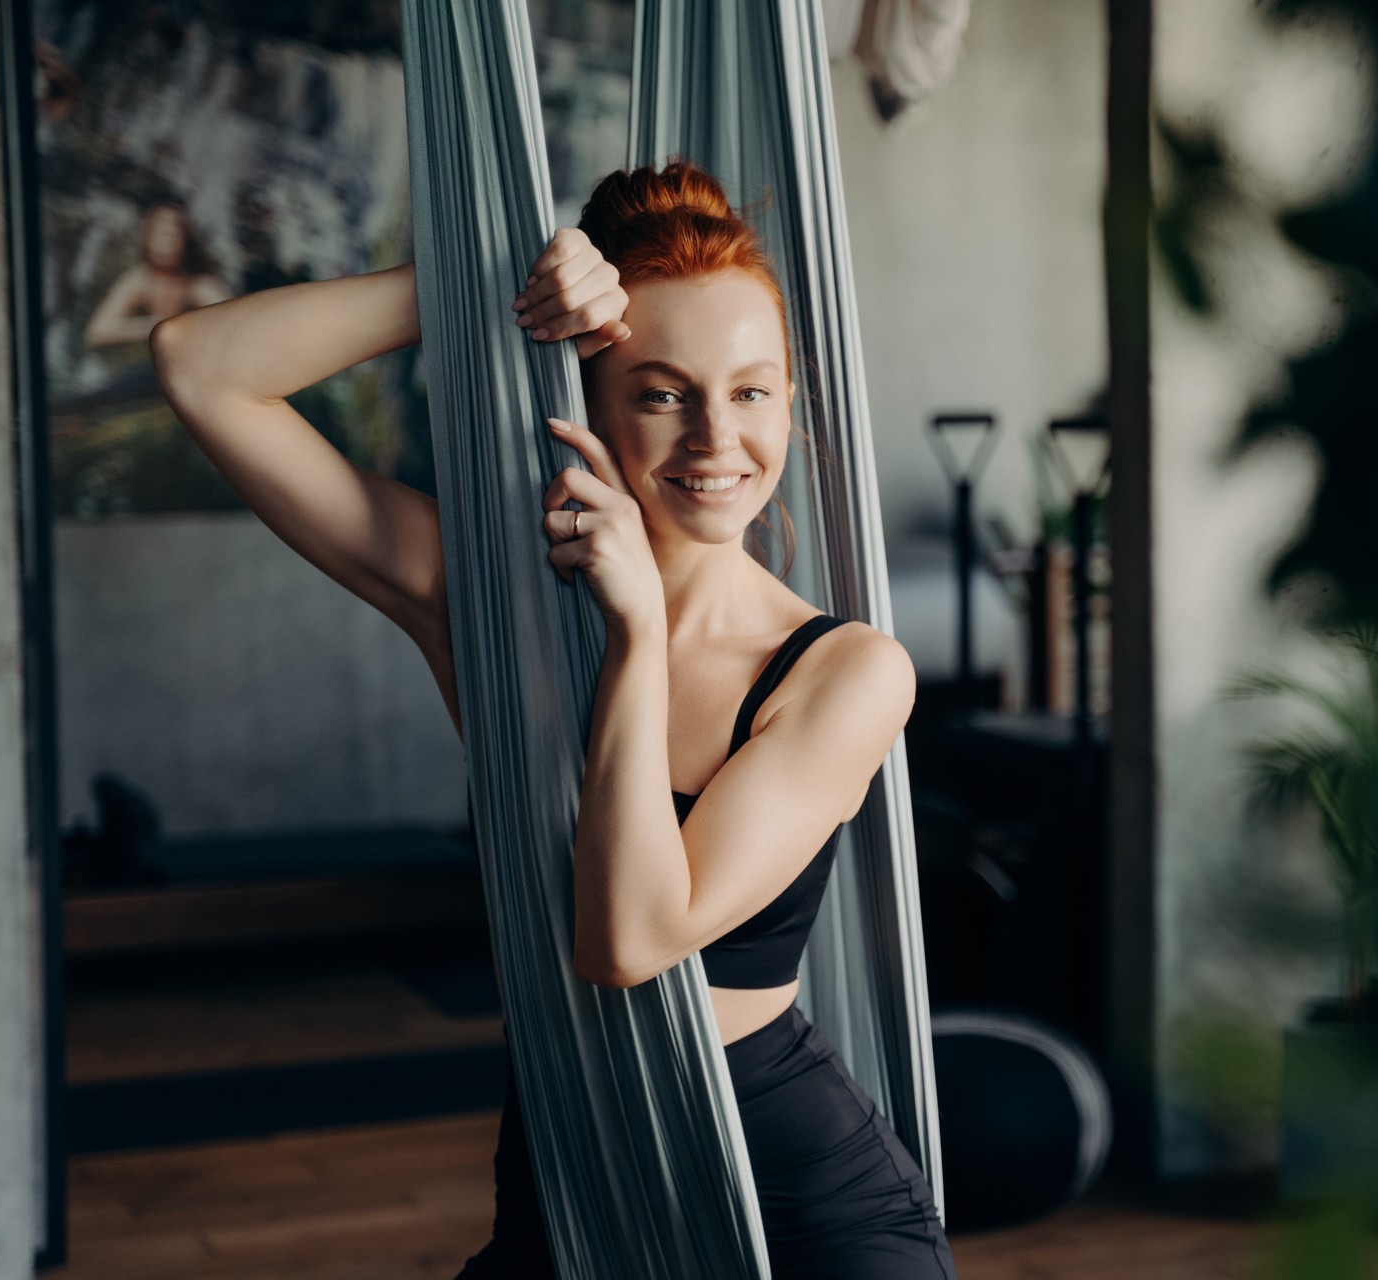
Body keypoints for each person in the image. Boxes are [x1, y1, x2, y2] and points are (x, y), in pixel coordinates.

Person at [149, 161, 957, 1279]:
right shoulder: (485, 606)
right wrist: (484, 289)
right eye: (664, 390)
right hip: (570, 1165)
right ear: (591, 404)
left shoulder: (846, 672)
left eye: (753, 389)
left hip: (794, 1197)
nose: (717, 438)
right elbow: (198, 365)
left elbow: (628, 939)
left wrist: (632, 638)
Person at [86, 199, 231, 348]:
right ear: (147, 235)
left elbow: (233, 324)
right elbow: (98, 332)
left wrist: (185, 327)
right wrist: (153, 325)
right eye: (161, 231)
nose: (167, 239)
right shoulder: (139, 279)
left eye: (173, 232)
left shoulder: (199, 284)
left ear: (185, 240)